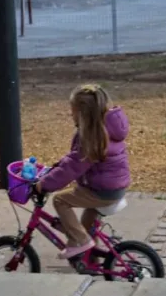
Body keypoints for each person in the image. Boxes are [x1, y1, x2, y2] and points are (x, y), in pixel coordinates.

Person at [35, 84, 131, 259]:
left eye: (72, 111)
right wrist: (57, 167)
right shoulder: (106, 129)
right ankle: (89, 257)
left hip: (102, 191)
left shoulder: (91, 137)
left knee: (60, 200)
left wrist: (45, 184)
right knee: (86, 221)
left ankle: (81, 242)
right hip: (114, 187)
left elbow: (73, 167)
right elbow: (74, 158)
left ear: (82, 114)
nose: (70, 115)